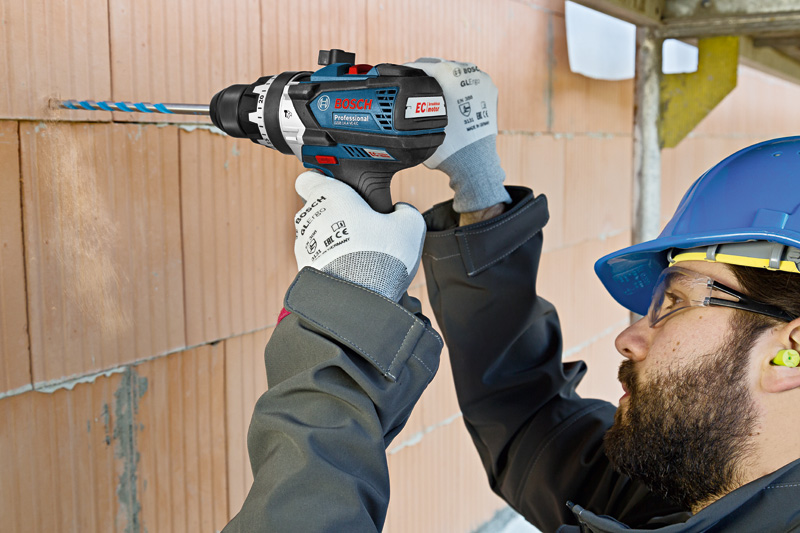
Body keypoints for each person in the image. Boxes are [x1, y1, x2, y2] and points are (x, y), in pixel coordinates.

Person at [223, 60, 800, 532]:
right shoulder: (715, 486)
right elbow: (532, 426)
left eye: (673, 302)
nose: (629, 338)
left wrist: (342, 321)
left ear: (791, 347)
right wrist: (480, 189)